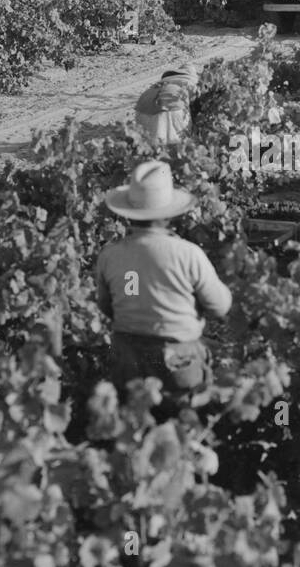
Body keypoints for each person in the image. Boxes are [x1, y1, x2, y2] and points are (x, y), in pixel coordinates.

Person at [97, 161, 232, 401]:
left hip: (129, 365)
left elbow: (107, 308)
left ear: (129, 215)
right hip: (179, 366)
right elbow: (219, 307)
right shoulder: (188, 254)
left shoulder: (110, 255)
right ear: (169, 215)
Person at [134, 65, 199, 146]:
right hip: (172, 101)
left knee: (149, 143)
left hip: (143, 103)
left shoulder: (163, 82)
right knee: (179, 142)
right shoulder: (191, 82)